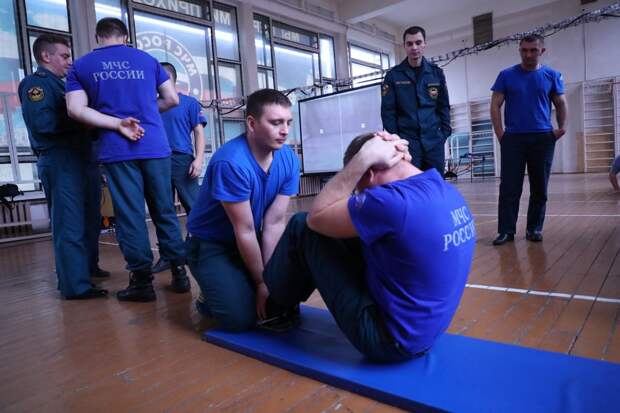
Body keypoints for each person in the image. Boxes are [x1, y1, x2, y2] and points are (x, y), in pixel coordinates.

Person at [261, 131, 475, 362]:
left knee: (302, 226)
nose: (358, 194)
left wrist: (361, 160)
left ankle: (274, 308)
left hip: (388, 341)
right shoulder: (446, 190)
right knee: (348, 228)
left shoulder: (391, 202)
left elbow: (315, 219)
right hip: (425, 333)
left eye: (359, 187)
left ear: (370, 172)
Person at [65, 17, 190, 301]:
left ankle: (142, 282)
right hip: (154, 144)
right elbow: (172, 99)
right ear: (125, 37)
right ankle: (179, 273)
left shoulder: (82, 66)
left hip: (117, 148)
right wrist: (147, 111)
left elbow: (75, 110)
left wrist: (117, 123)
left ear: (98, 37)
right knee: (164, 210)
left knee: (130, 215)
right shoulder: (148, 60)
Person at [186, 89, 300, 331]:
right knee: (240, 320)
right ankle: (208, 297)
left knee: (277, 304)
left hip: (250, 237)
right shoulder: (231, 162)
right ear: (251, 123)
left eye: (288, 122)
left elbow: (274, 223)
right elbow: (244, 230)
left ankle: (240, 282)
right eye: (276, 122)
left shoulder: (289, 160)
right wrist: (260, 283)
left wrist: (270, 279)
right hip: (211, 245)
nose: (285, 131)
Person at [18, 34, 108, 299]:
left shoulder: (64, 85)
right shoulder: (37, 85)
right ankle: (75, 285)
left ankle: (88, 268)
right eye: (65, 56)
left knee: (91, 219)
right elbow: (43, 124)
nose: (70, 61)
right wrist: (84, 120)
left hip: (83, 159)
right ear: (46, 56)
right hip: (61, 160)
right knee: (69, 223)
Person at [491, 34, 568, 245]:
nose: (528, 54)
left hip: (542, 138)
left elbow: (561, 103)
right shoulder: (506, 75)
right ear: (520, 50)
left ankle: (534, 229)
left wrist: (562, 128)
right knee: (509, 187)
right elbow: (495, 104)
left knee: (539, 187)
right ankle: (506, 231)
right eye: (524, 50)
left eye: (533, 50)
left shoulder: (551, 75)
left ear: (541, 51)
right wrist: (500, 133)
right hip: (513, 139)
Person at [151, 62, 207, 274]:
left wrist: (199, 159)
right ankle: (170, 256)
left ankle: (199, 250)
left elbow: (199, 133)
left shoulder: (189, 103)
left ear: (168, 77)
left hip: (182, 161)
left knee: (195, 208)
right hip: (157, 161)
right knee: (162, 210)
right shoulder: (151, 105)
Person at [381, 26, 451, 177]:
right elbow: (388, 112)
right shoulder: (393, 76)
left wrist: (444, 133)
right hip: (407, 144)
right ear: (404, 46)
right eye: (410, 43)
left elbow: (443, 106)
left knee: (435, 184)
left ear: (424, 44)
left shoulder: (436, 73)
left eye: (418, 42)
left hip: (434, 142)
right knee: (411, 185)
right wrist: (398, 141)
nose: (414, 47)